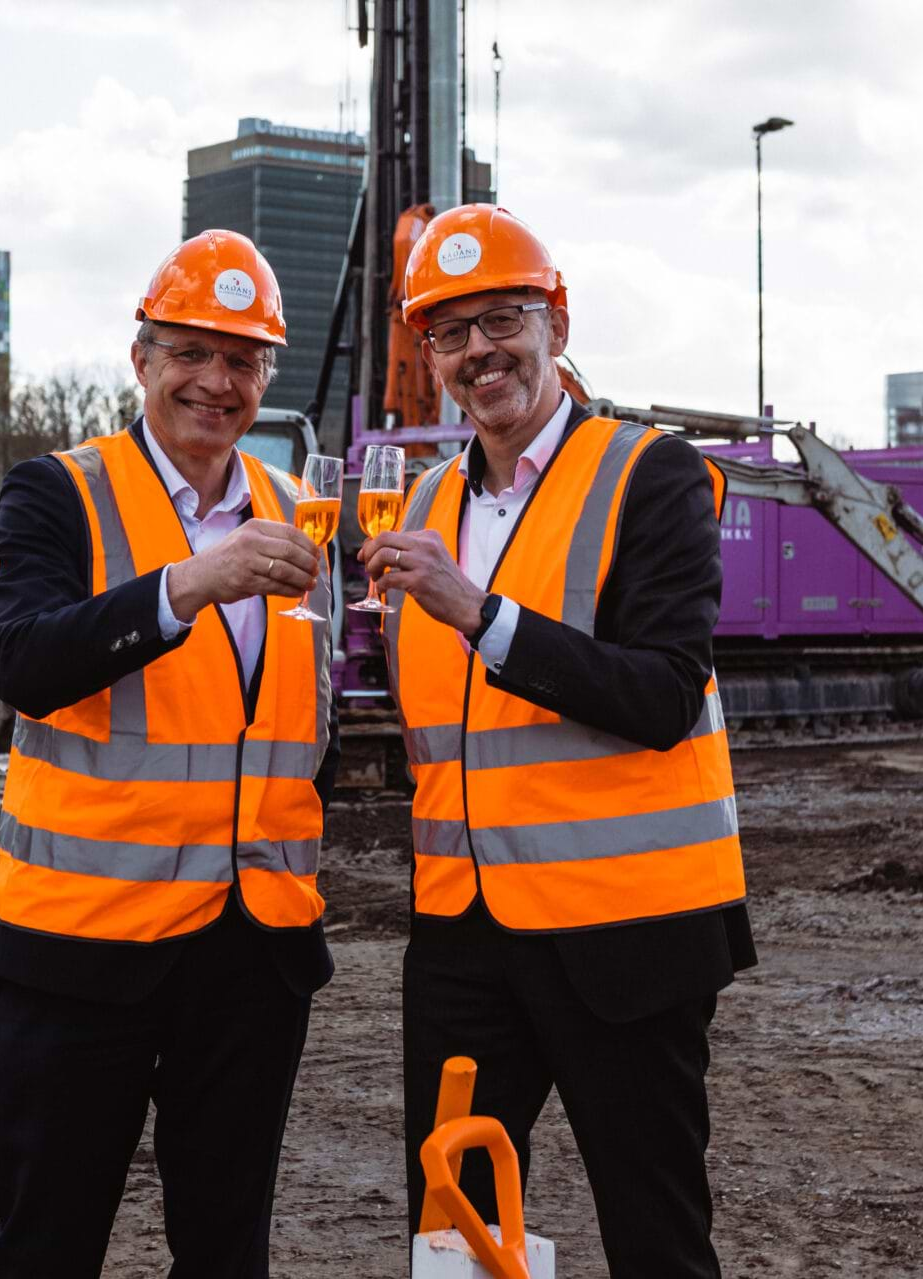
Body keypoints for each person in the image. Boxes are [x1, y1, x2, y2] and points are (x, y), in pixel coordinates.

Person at [361, 204, 756, 1278]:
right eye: (451, 333)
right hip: (462, 937)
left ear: (558, 322)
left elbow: (665, 693)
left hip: (626, 932)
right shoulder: (427, 498)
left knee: (655, 1232)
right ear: (431, 355)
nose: (480, 352)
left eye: (503, 320)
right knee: (454, 1231)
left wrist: (481, 613)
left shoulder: (651, 476)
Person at [0, 229, 338, 1279]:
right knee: (46, 1247)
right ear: (141, 360)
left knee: (227, 1253)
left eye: (242, 360)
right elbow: (26, 664)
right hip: (83, 948)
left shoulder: (293, 509)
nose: (216, 382)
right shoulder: (59, 492)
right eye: (191, 352)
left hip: (251, 950)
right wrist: (189, 584)